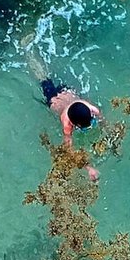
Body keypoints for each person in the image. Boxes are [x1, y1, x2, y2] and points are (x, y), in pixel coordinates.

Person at [22, 42, 102, 177]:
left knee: (48, 78)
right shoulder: (66, 123)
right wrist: (89, 168)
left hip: (66, 92)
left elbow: (101, 119)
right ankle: (28, 51)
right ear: (74, 124)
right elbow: (69, 149)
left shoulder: (92, 110)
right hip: (54, 98)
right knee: (43, 79)